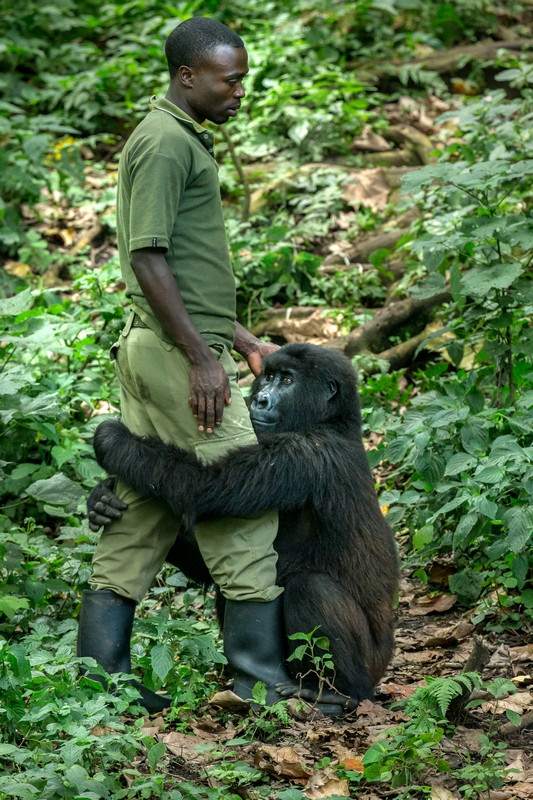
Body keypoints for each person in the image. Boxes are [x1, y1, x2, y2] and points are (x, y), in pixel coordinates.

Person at [78, 16, 293, 712]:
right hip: (175, 357)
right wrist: (203, 359)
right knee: (243, 503)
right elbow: (146, 258)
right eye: (231, 80)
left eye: (243, 79)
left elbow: (186, 271)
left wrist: (241, 340)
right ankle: (260, 684)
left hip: (161, 346)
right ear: (188, 76)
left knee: (142, 506)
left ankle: (99, 682)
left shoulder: (175, 136)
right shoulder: (167, 142)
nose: (240, 92)